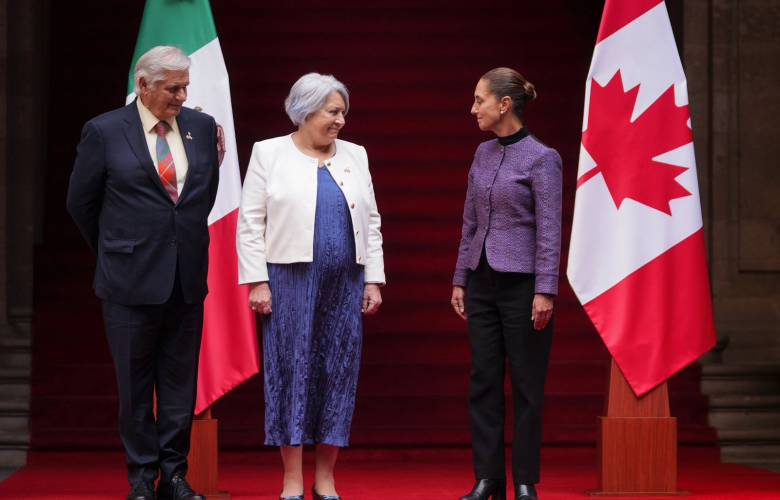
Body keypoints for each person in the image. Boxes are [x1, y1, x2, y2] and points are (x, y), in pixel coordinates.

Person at [66, 46, 220, 500]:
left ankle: (174, 476)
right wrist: (119, 249)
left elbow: (202, 196)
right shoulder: (104, 130)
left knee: (179, 385)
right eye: (173, 88)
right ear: (143, 85)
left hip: (185, 277)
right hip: (128, 281)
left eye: (185, 87)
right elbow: (81, 203)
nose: (182, 96)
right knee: (134, 388)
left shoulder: (201, 127)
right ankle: (140, 480)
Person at [237, 72, 385, 500]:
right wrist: (258, 281)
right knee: (291, 372)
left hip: (345, 283)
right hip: (288, 282)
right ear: (305, 111)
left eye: (343, 112)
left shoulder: (356, 154)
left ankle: (325, 479)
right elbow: (251, 223)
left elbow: (371, 221)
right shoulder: (268, 153)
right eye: (333, 111)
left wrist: (373, 279)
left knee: (338, 373)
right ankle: (291, 479)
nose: (341, 120)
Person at [451, 68, 562, 500]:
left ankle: (525, 480)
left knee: (527, 384)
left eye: (479, 100)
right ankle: (489, 478)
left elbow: (549, 230)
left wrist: (545, 289)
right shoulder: (482, 153)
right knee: (484, 379)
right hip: (482, 281)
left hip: (523, 286)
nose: (473, 108)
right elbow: (470, 221)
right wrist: (461, 277)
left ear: (504, 104)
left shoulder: (542, 158)